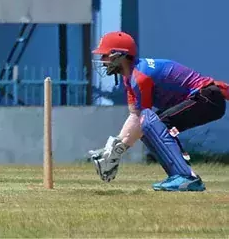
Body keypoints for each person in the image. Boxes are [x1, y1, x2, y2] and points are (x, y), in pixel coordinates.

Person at [87, 31, 228, 192]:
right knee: (148, 129)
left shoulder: (140, 77)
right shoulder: (130, 77)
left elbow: (144, 116)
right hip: (206, 98)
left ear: (120, 55)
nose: (102, 61)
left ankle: (187, 178)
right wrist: (116, 149)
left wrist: (117, 151)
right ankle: (179, 177)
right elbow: (135, 116)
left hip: (207, 98)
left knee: (152, 124)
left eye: (105, 55)